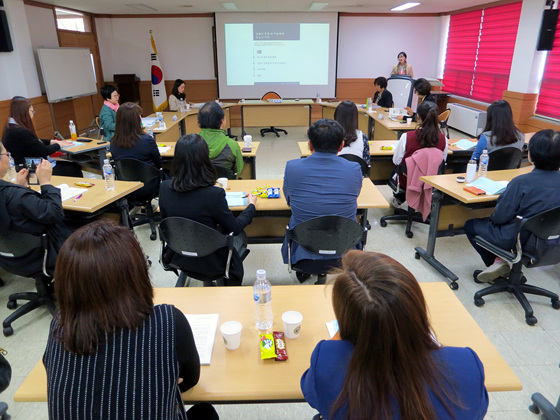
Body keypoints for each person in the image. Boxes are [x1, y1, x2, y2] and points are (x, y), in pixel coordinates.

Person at [43, 220, 219, 420]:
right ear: (135, 274)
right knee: (205, 412)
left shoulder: (59, 326)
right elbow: (189, 380)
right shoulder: (167, 322)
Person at [301, 251, 489, 420]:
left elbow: (311, 393)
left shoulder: (325, 362)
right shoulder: (468, 365)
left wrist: (342, 333)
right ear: (416, 308)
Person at [159, 134, 257, 285]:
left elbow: (167, 225)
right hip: (211, 260)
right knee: (240, 236)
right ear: (204, 159)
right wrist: (251, 206)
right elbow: (234, 228)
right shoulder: (213, 194)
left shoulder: (164, 188)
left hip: (179, 255)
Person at [464, 129, 560, 283]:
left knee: (471, 225)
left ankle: (499, 266)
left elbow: (500, 217)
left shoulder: (521, 182)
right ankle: (500, 261)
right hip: (552, 241)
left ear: (530, 155)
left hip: (520, 240)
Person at [282, 119, 362, 280]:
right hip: (345, 252)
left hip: (303, 252)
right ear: (341, 145)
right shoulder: (354, 169)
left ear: (310, 145)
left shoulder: (292, 168)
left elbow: (289, 201)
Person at [0, 144, 70, 253]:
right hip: (42, 256)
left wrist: (20, 187)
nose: (8, 158)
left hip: (9, 258)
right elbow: (55, 214)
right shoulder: (16, 195)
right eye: (6, 154)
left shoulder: (13, 194)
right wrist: (45, 182)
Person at [2, 96, 73, 171]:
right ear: (24, 112)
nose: (33, 114)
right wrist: (59, 145)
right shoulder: (20, 131)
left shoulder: (10, 127)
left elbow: (31, 141)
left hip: (25, 166)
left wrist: (51, 141)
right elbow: (42, 151)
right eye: (32, 111)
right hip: (33, 169)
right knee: (74, 168)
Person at [393, 100, 448, 192]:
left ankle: (399, 199)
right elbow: (441, 162)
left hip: (407, 182)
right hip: (430, 183)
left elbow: (396, 161)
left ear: (418, 116)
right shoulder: (444, 139)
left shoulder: (407, 137)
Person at [198, 101, 243, 178]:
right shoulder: (232, 145)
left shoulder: (190, 143)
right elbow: (239, 170)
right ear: (222, 121)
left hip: (197, 186)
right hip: (224, 186)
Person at [110, 102, 162, 169]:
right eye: (139, 115)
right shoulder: (147, 140)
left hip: (124, 179)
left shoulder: (113, 142)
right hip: (149, 178)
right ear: (136, 120)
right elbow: (158, 163)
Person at [334, 100, 370, 165]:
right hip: (357, 174)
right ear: (355, 118)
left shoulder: (329, 136)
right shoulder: (362, 137)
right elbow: (366, 163)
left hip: (334, 174)